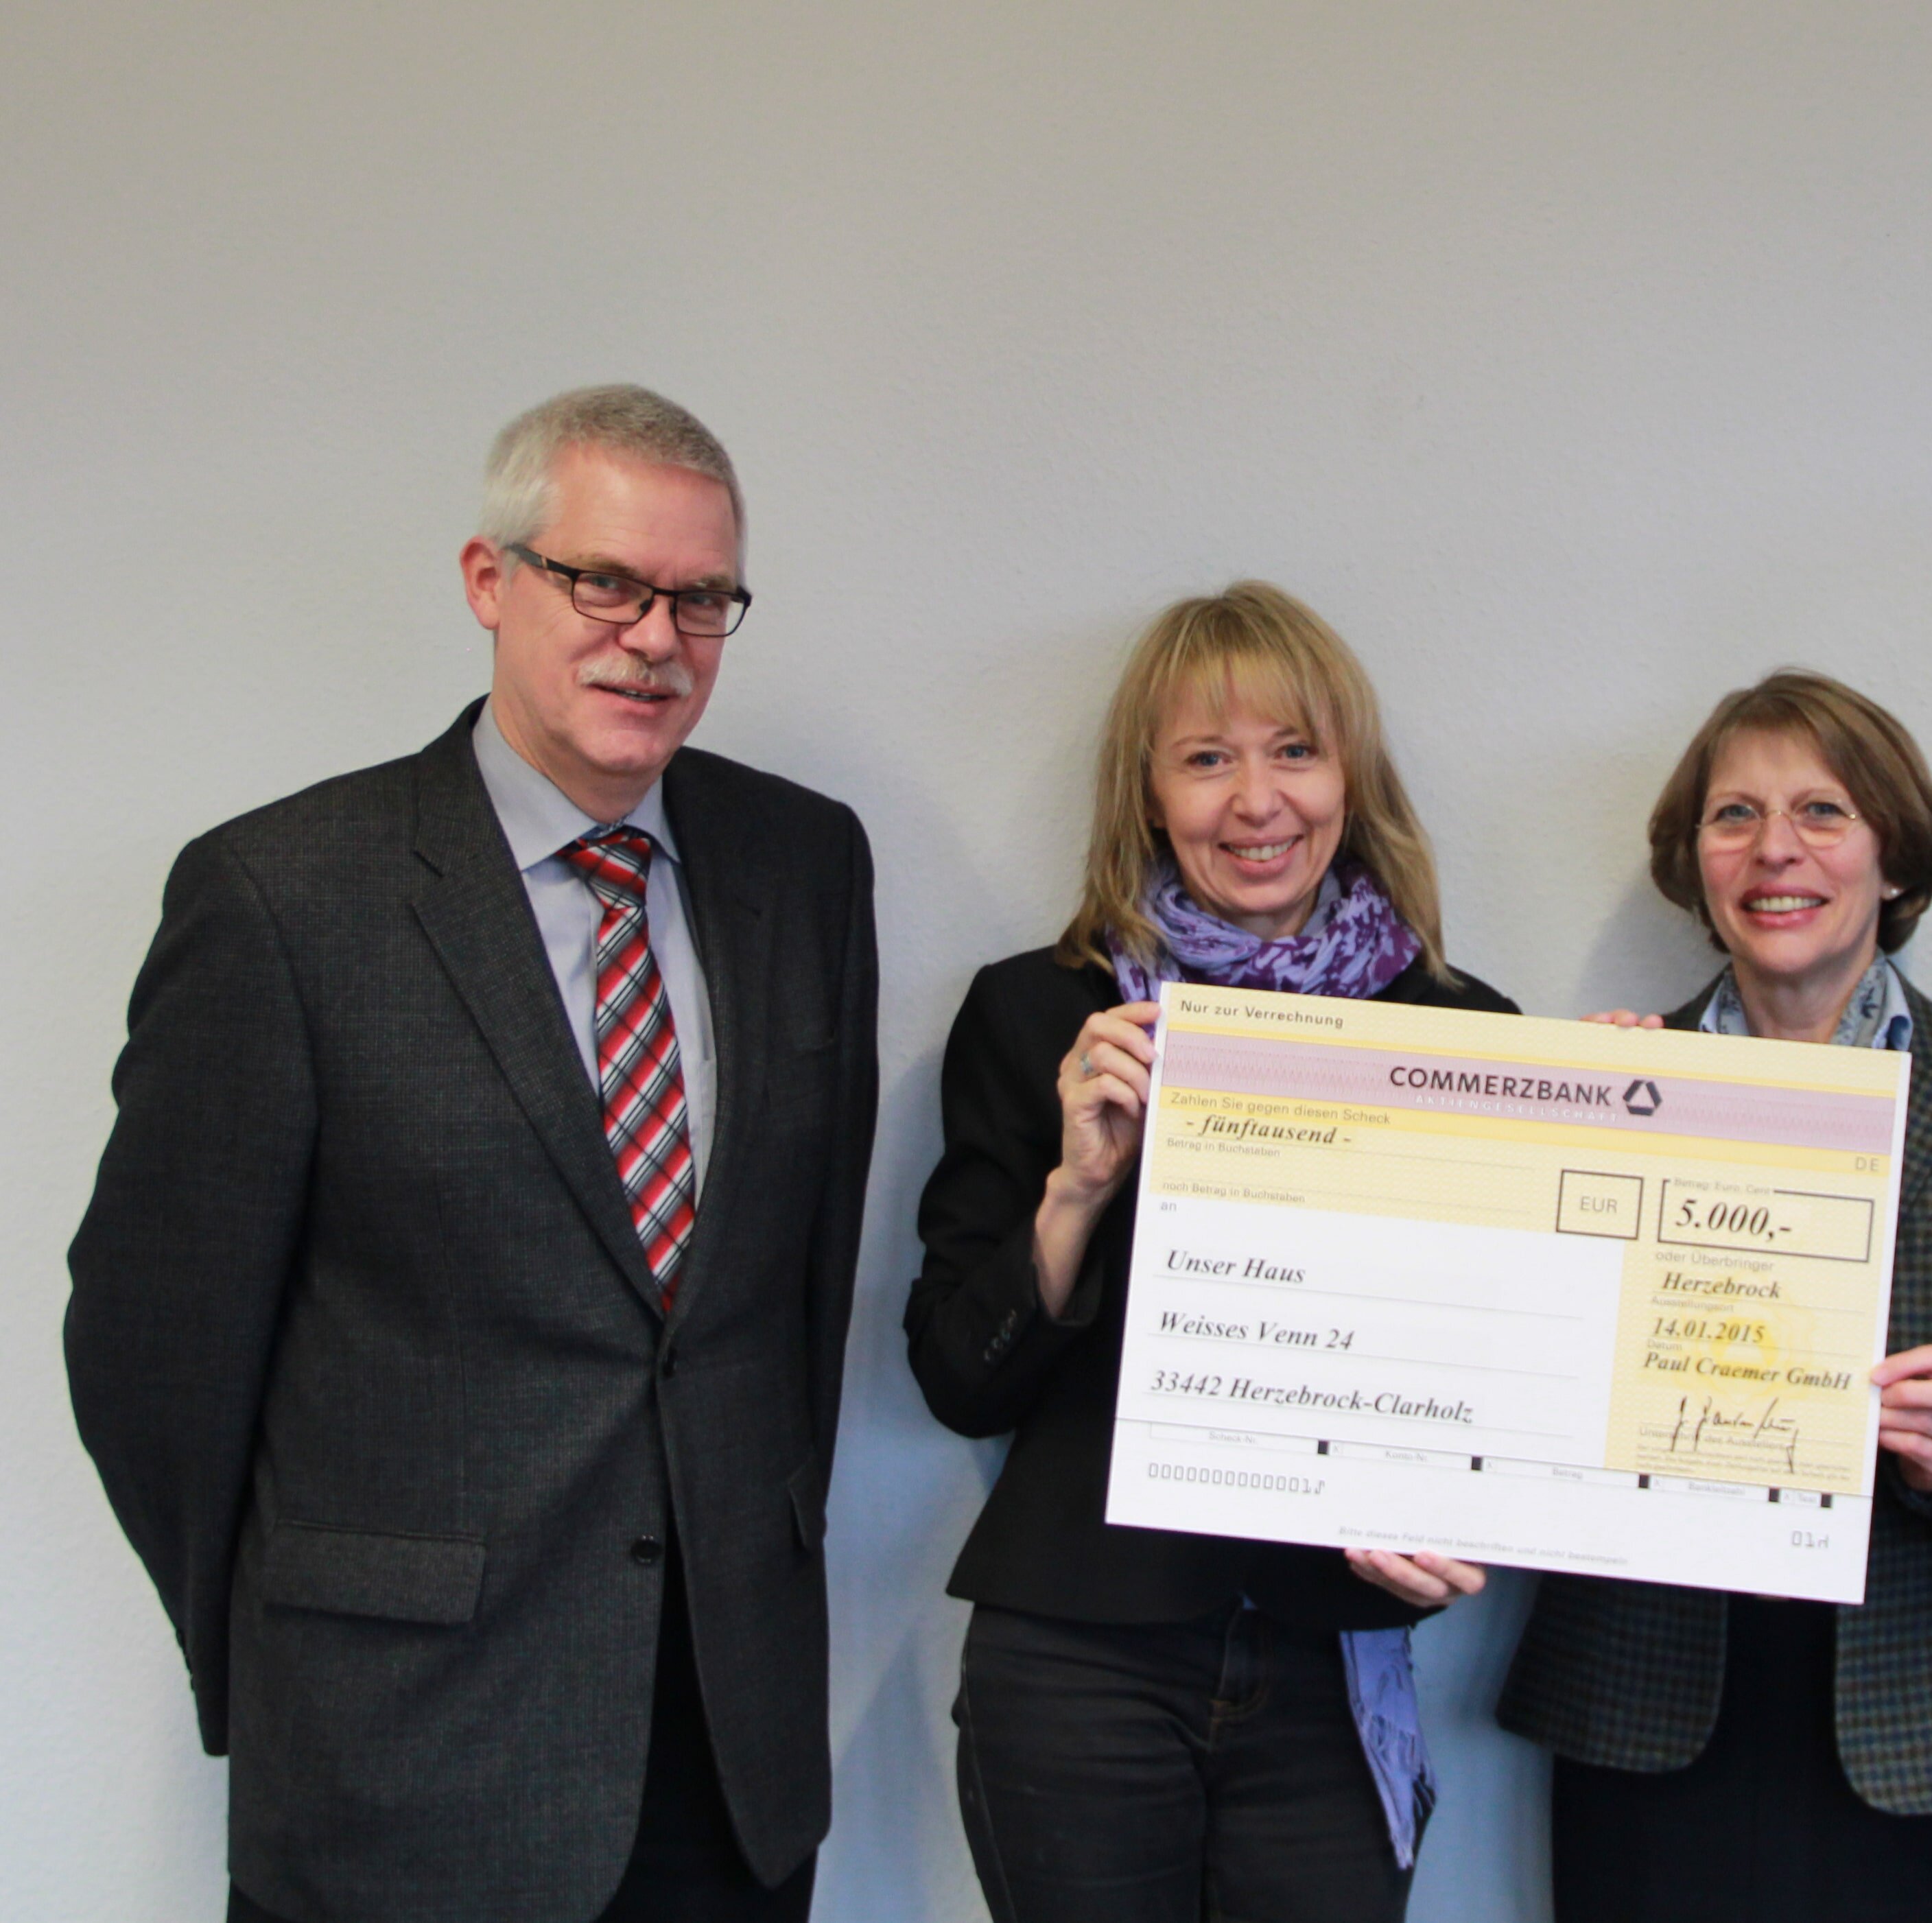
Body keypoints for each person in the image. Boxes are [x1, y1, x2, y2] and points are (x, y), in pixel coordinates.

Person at [64, 386, 880, 1923]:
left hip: (729, 1765)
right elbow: (149, 1351)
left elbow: (794, 1298)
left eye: (700, 598)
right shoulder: (283, 898)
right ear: (488, 580)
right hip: (400, 1764)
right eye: (605, 582)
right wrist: (296, 1645)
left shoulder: (804, 866)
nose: (653, 636)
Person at [906, 581, 1516, 1923]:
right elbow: (958, 1376)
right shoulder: (1038, 1016)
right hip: (1080, 1654)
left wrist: (1613, 1139)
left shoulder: (1467, 1032)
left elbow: (1495, 1372)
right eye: (1205, 757)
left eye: (1293, 750)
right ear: (1146, 793)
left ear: (1351, 778)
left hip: (1328, 1663)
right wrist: (1074, 1190)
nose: (1256, 800)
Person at [1495, 670, 1932, 1923]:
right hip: (1650, 1714)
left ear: (1895, 860)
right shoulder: (1597, 1091)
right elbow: (1507, 1407)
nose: (1776, 849)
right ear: (1695, 861)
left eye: (1824, 811)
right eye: (1735, 817)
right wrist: (1578, 1149)